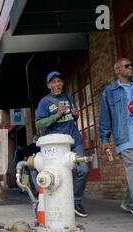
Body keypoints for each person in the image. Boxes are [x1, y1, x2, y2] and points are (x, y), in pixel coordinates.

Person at [99, 58, 133, 223]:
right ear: (117, 70)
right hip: (126, 136)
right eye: (127, 66)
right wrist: (104, 139)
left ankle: (128, 202)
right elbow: (105, 118)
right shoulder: (110, 92)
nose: (131, 68)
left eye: (132, 65)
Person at [35, 71, 90, 217]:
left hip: (74, 140)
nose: (57, 84)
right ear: (48, 85)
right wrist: (57, 115)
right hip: (57, 144)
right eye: (53, 82)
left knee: (83, 170)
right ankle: (58, 204)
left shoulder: (69, 97)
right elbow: (40, 124)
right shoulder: (44, 102)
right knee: (58, 174)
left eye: (59, 81)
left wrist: (76, 115)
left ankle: (76, 201)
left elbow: (72, 118)